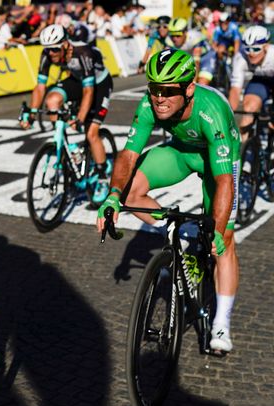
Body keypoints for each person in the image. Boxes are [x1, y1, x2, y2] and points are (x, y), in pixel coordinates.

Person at [96, 48, 240, 353]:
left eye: (168, 90)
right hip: (182, 151)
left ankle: (222, 323)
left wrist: (217, 227)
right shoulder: (150, 104)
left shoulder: (210, 110)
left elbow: (225, 180)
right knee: (130, 191)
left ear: (188, 89)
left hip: (217, 159)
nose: (159, 97)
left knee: (223, 240)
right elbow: (128, 154)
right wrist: (111, 196)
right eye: (154, 88)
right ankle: (181, 235)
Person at [20, 24, 114, 205]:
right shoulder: (47, 54)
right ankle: (66, 146)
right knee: (52, 101)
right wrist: (31, 113)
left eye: (55, 49)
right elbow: (40, 87)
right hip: (77, 80)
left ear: (65, 44)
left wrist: (80, 117)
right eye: (47, 50)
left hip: (100, 85)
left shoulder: (83, 52)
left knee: (91, 132)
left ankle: (103, 175)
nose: (51, 54)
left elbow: (89, 91)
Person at [229, 26, 274, 142]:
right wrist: (228, 119)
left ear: (266, 47)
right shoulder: (240, 58)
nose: (251, 54)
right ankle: (241, 154)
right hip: (259, 81)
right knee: (249, 109)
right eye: (247, 49)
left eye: (256, 49)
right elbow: (235, 90)